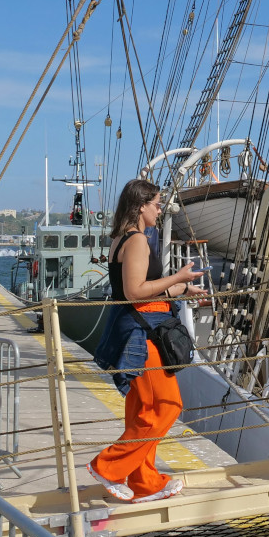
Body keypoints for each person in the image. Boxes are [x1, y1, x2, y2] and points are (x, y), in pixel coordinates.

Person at [88, 179, 204, 503]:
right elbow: (134, 292)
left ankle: (144, 481)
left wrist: (181, 289)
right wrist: (178, 277)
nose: (159, 209)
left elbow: (143, 289)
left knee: (143, 411)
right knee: (166, 407)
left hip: (138, 328)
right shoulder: (137, 240)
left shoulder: (122, 238)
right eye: (156, 203)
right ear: (141, 206)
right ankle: (108, 467)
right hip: (142, 334)